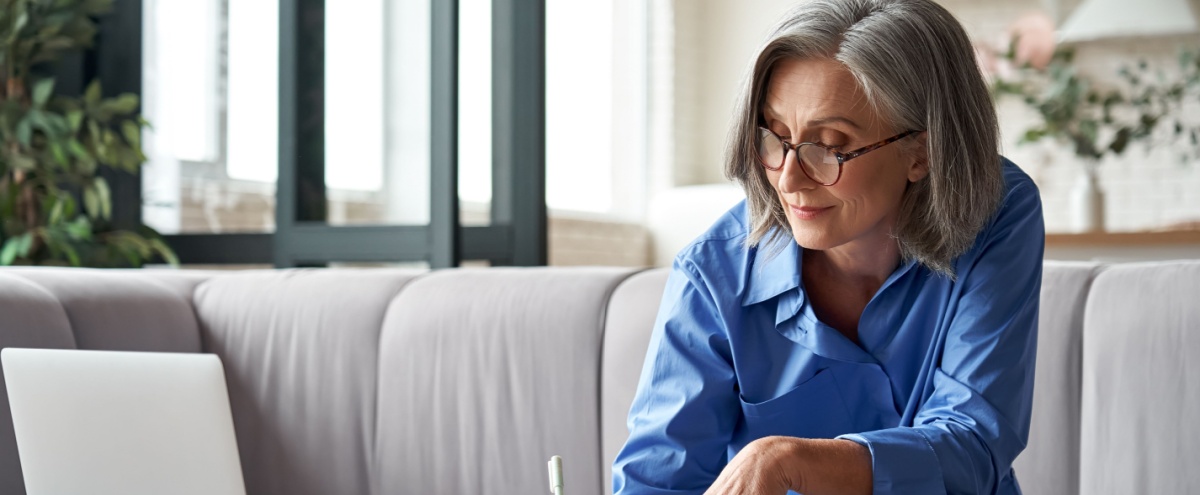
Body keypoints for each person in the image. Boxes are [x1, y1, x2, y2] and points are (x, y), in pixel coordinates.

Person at [611, 0, 1044, 494]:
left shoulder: (996, 211)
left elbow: (974, 445)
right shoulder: (712, 273)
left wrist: (788, 459)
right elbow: (656, 482)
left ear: (922, 153)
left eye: (830, 145)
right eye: (773, 137)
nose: (789, 179)